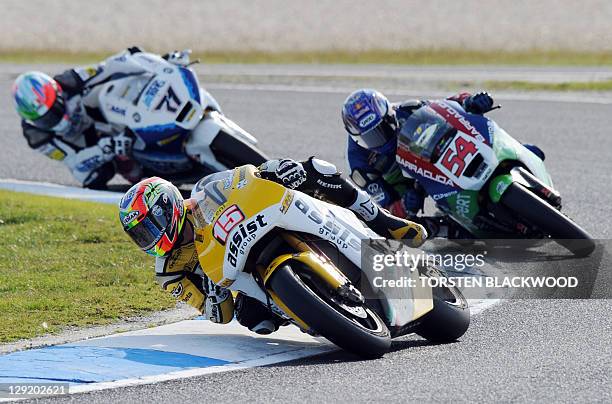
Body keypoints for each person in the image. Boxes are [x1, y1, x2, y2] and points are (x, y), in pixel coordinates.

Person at [118, 157, 427, 335]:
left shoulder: (203, 192)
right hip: (246, 277)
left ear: (167, 206)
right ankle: (314, 311)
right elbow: (218, 315)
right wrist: (214, 293)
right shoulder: (170, 271)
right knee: (254, 320)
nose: (150, 237)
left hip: (265, 221)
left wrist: (275, 169)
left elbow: (244, 178)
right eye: (141, 235)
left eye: (149, 227)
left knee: (316, 168)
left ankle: (385, 222)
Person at [342, 89, 545, 237]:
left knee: (483, 132)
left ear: (389, 116)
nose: (382, 138)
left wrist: (471, 100)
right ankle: (450, 230)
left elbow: (448, 106)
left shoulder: (406, 109)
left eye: (384, 128)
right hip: (407, 188)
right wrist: (403, 206)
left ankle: (516, 151)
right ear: (359, 138)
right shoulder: (359, 162)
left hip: (434, 161)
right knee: (406, 229)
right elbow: (377, 208)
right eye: (372, 137)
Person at [11, 47, 192, 189]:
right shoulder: (36, 136)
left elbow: (110, 67)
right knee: (94, 178)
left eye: (54, 110)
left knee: (114, 91)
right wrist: (104, 149)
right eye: (45, 120)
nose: (53, 118)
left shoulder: (69, 81)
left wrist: (159, 64)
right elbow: (75, 163)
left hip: (97, 115)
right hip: (86, 145)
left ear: (57, 93)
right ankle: (149, 172)